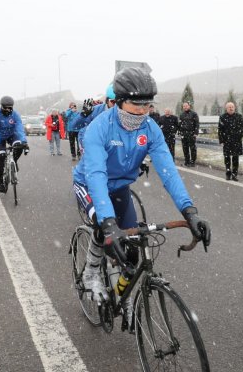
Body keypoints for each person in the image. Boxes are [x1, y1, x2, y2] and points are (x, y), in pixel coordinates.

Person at [74, 67, 212, 324]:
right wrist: (107, 222)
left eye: (147, 105)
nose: (142, 111)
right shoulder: (99, 128)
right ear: (118, 101)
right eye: (136, 105)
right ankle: (91, 271)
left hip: (120, 188)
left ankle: (120, 296)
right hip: (90, 185)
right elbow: (95, 175)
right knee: (103, 229)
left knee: (132, 254)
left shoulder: (150, 129)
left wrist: (189, 211)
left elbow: (169, 172)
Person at [0, 96, 28, 193]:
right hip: (0, 138)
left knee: (19, 145)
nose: (8, 109)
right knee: (1, 156)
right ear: (1, 107)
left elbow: (19, 128)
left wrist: (24, 142)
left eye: (10, 107)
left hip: (12, 135)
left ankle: (14, 161)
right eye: (6, 107)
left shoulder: (15, 115)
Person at [218, 102, 243, 181]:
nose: (231, 108)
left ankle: (234, 174)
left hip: (236, 141)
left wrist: (239, 136)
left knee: (235, 158)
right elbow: (220, 130)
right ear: (226, 108)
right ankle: (228, 173)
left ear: (234, 108)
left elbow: (242, 128)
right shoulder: (223, 117)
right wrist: (221, 140)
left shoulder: (239, 117)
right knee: (227, 158)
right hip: (226, 141)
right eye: (229, 107)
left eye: (232, 107)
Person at [179, 102, 199, 166]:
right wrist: (180, 132)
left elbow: (197, 124)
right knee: (185, 148)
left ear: (189, 106)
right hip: (184, 134)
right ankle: (187, 161)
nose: (185, 107)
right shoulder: (181, 114)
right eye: (184, 106)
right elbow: (180, 124)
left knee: (192, 148)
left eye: (186, 106)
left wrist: (196, 133)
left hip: (191, 133)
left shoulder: (194, 114)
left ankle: (193, 161)